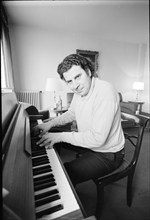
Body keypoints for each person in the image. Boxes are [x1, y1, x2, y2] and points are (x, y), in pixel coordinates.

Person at [34, 54, 125, 186]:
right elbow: (71, 113)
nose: (75, 86)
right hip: (91, 144)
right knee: (51, 135)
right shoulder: (80, 91)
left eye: (78, 77)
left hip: (109, 154)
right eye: (69, 81)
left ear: (88, 72)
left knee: (64, 173)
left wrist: (59, 136)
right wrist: (50, 123)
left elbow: (98, 139)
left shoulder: (105, 92)